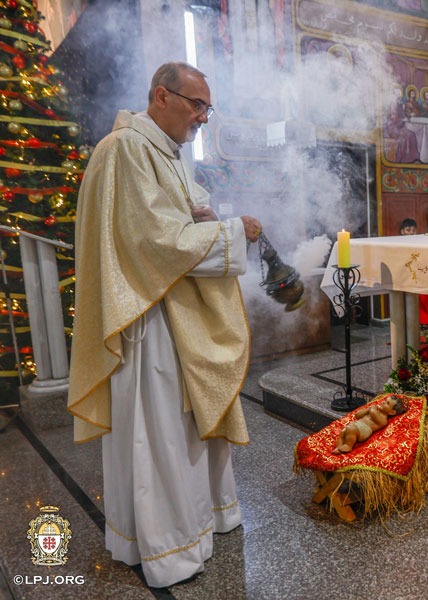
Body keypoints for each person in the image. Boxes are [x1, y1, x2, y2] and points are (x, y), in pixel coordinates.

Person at [67, 62, 263, 588]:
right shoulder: (127, 148)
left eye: (207, 107)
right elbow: (153, 242)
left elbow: (176, 222)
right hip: (148, 316)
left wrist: (207, 220)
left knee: (186, 427)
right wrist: (231, 231)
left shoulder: (166, 153)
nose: (203, 117)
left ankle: (204, 521)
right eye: (196, 105)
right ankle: (169, 549)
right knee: (161, 436)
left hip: (176, 308)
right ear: (161, 96)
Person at [333, 396, 408, 454]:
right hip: (356, 425)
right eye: (385, 400)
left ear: (392, 412)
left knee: (351, 429)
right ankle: (339, 447)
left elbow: (373, 413)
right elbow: (357, 415)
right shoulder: (373, 410)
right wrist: (367, 410)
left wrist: (371, 408)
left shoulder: (383, 420)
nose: (383, 402)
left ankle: (348, 445)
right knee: (343, 432)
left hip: (364, 430)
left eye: (387, 403)